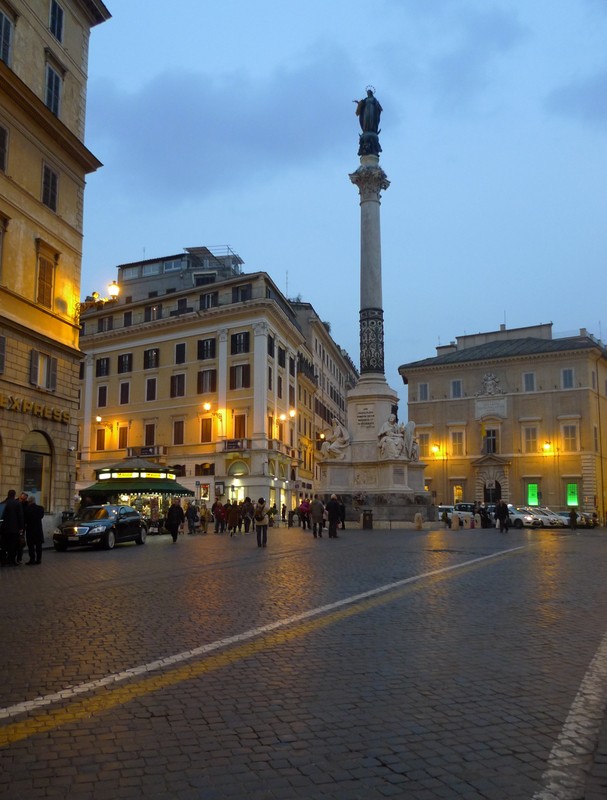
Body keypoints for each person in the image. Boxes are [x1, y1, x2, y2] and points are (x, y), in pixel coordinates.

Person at [1, 490, 24, 566]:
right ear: (14, 495)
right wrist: (21, 527)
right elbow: (20, 516)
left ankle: (3, 560)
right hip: (14, 528)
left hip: (3, 528)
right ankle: (11, 560)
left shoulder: (3, 503)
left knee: (3, 545)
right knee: (13, 545)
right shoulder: (17, 503)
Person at [24, 495, 44, 565]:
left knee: (31, 546)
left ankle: (32, 559)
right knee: (39, 546)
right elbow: (41, 516)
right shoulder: (40, 508)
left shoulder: (26, 509)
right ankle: (38, 560)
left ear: (29, 502)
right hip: (38, 530)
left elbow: (25, 520)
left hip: (30, 530)